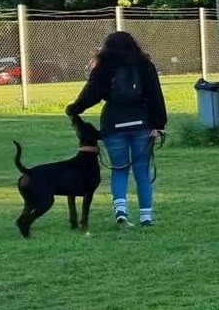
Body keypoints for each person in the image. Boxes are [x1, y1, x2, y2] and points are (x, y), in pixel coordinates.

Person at [66, 31, 166, 227]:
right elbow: (155, 96)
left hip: (113, 124)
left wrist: (74, 108)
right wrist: (158, 124)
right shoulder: (145, 65)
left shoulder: (104, 67)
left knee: (119, 169)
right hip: (141, 123)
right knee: (142, 172)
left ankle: (121, 211)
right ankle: (146, 217)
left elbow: (91, 93)